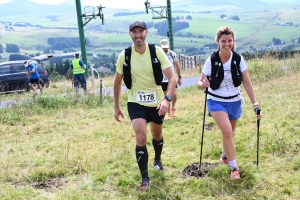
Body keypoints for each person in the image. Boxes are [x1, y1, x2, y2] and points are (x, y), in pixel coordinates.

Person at [113, 21, 176, 191]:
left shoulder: (156, 52)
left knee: (157, 135)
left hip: (156, 102)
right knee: (141, 137)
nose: (138, 35)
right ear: (130, 34)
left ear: (146, 33)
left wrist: (167, 99)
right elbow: (117, 82)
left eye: (141, 31)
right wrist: (116, 106)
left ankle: (157, 159)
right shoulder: (124, 55)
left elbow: (172, 78)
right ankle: (145, 178)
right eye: (135, 32)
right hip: (135, 101)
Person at [197, 26, 262, 179]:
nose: (227, 44)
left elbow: (247, 83)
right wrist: (203, 84)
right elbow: (200, 83)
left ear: (233, 42)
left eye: (229, 41)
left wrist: (255, 105)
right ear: (218, 42)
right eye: (223, 41)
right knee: (226, 131)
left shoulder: (238, 59)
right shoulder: (211, 60)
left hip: (234, 101)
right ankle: (234, 168)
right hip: (215, 100)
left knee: (230, 133)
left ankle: (225, 155)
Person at [160, 39, 182, 120]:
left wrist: (180, 77)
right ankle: (168, 113)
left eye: (166, 47)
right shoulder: (158, 54)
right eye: (163, 48)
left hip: (171, 78)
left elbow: (177, 66)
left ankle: (173, 108)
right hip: (163, 79)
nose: (165, 49)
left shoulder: (172, 54)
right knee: (167, 96)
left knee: (174, 95)